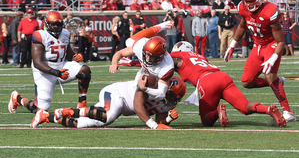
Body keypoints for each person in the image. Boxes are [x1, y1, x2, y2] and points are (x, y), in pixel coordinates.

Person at [170, 41, 286, 128]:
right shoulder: (200, 56)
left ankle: (217, 111)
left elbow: (166, 60)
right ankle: (268, 109)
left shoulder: (177, 57)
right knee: (244, 107)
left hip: (207, 82)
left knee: (206, 122)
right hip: (223, 77)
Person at [224, 0, 296, 122]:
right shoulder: (242, 8)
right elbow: (243, 25)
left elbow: (280, 41)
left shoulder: (270, 11)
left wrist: (273, 58)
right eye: (247, 1)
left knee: (269, 75)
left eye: (252, 1)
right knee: (246, 82)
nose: (249, 4)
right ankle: (278, 81)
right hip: (257, 46)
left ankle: (288, 112)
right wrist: (232, 44)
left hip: (272, 44)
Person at [9, 11, 92, 125]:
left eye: (58, 24)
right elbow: (37, 62)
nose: (56, 27)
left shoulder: (65, 33)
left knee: (84, 70)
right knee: (40, 110)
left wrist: (75, 57)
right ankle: (18, 98)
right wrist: (56, 73)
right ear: (47, 24)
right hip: (44, 71)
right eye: (53, 24)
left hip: (61, 66)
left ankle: (82, 104)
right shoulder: (40, 35)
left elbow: (68, 54)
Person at [28, 75, 185, 129]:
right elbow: (138, 106)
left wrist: (168, 119)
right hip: (115, 93)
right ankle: (68, 111)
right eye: (171, 95)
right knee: (109, 116)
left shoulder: (170, 102)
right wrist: (153, 126)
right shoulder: (152, 84)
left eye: (174, 98)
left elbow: (160, 119)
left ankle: (47, 117)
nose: (170, 99)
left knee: (88, 124)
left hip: (120, 104)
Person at [110, 20, 175, 101]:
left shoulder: (166, 67)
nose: (147, 58)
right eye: (146, 54)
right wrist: (114, 63)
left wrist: (145, 89)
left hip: (155, 75)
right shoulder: (140, 46)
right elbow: (119, 53)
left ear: (160, 57)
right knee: (129, 41)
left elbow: (161, 94)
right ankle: (162, 26)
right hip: (146, 67)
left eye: (152, 57)